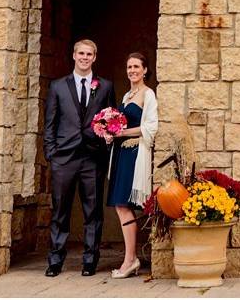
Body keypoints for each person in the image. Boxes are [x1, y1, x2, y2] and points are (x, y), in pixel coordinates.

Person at [43, 39, 115, 277]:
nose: (85, 57)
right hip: (63, 157)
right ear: (73, 55)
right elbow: (50, 124)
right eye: (81, 53)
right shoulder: (57, 86)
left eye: (89, 54)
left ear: (95, 57)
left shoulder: (104, 86)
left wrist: (106, 142)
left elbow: (111, 119)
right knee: (60, 211)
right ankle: (55, 260)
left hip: (92, 158)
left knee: (93, 211)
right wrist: (51, 154)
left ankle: (89, 261)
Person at [106, 52, 159, 279]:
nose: (132, 71)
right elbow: (119, 124)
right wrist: (110, 133)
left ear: (145, 70)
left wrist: (122, 132)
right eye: (129, 67)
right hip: (121, 152)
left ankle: (130, 259)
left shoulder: (148, 94)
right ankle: (130, 258)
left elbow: (151, 127)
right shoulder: (128, 95)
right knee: (121, 204)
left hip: (135, 153)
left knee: (123, 204)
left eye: (137, 67)